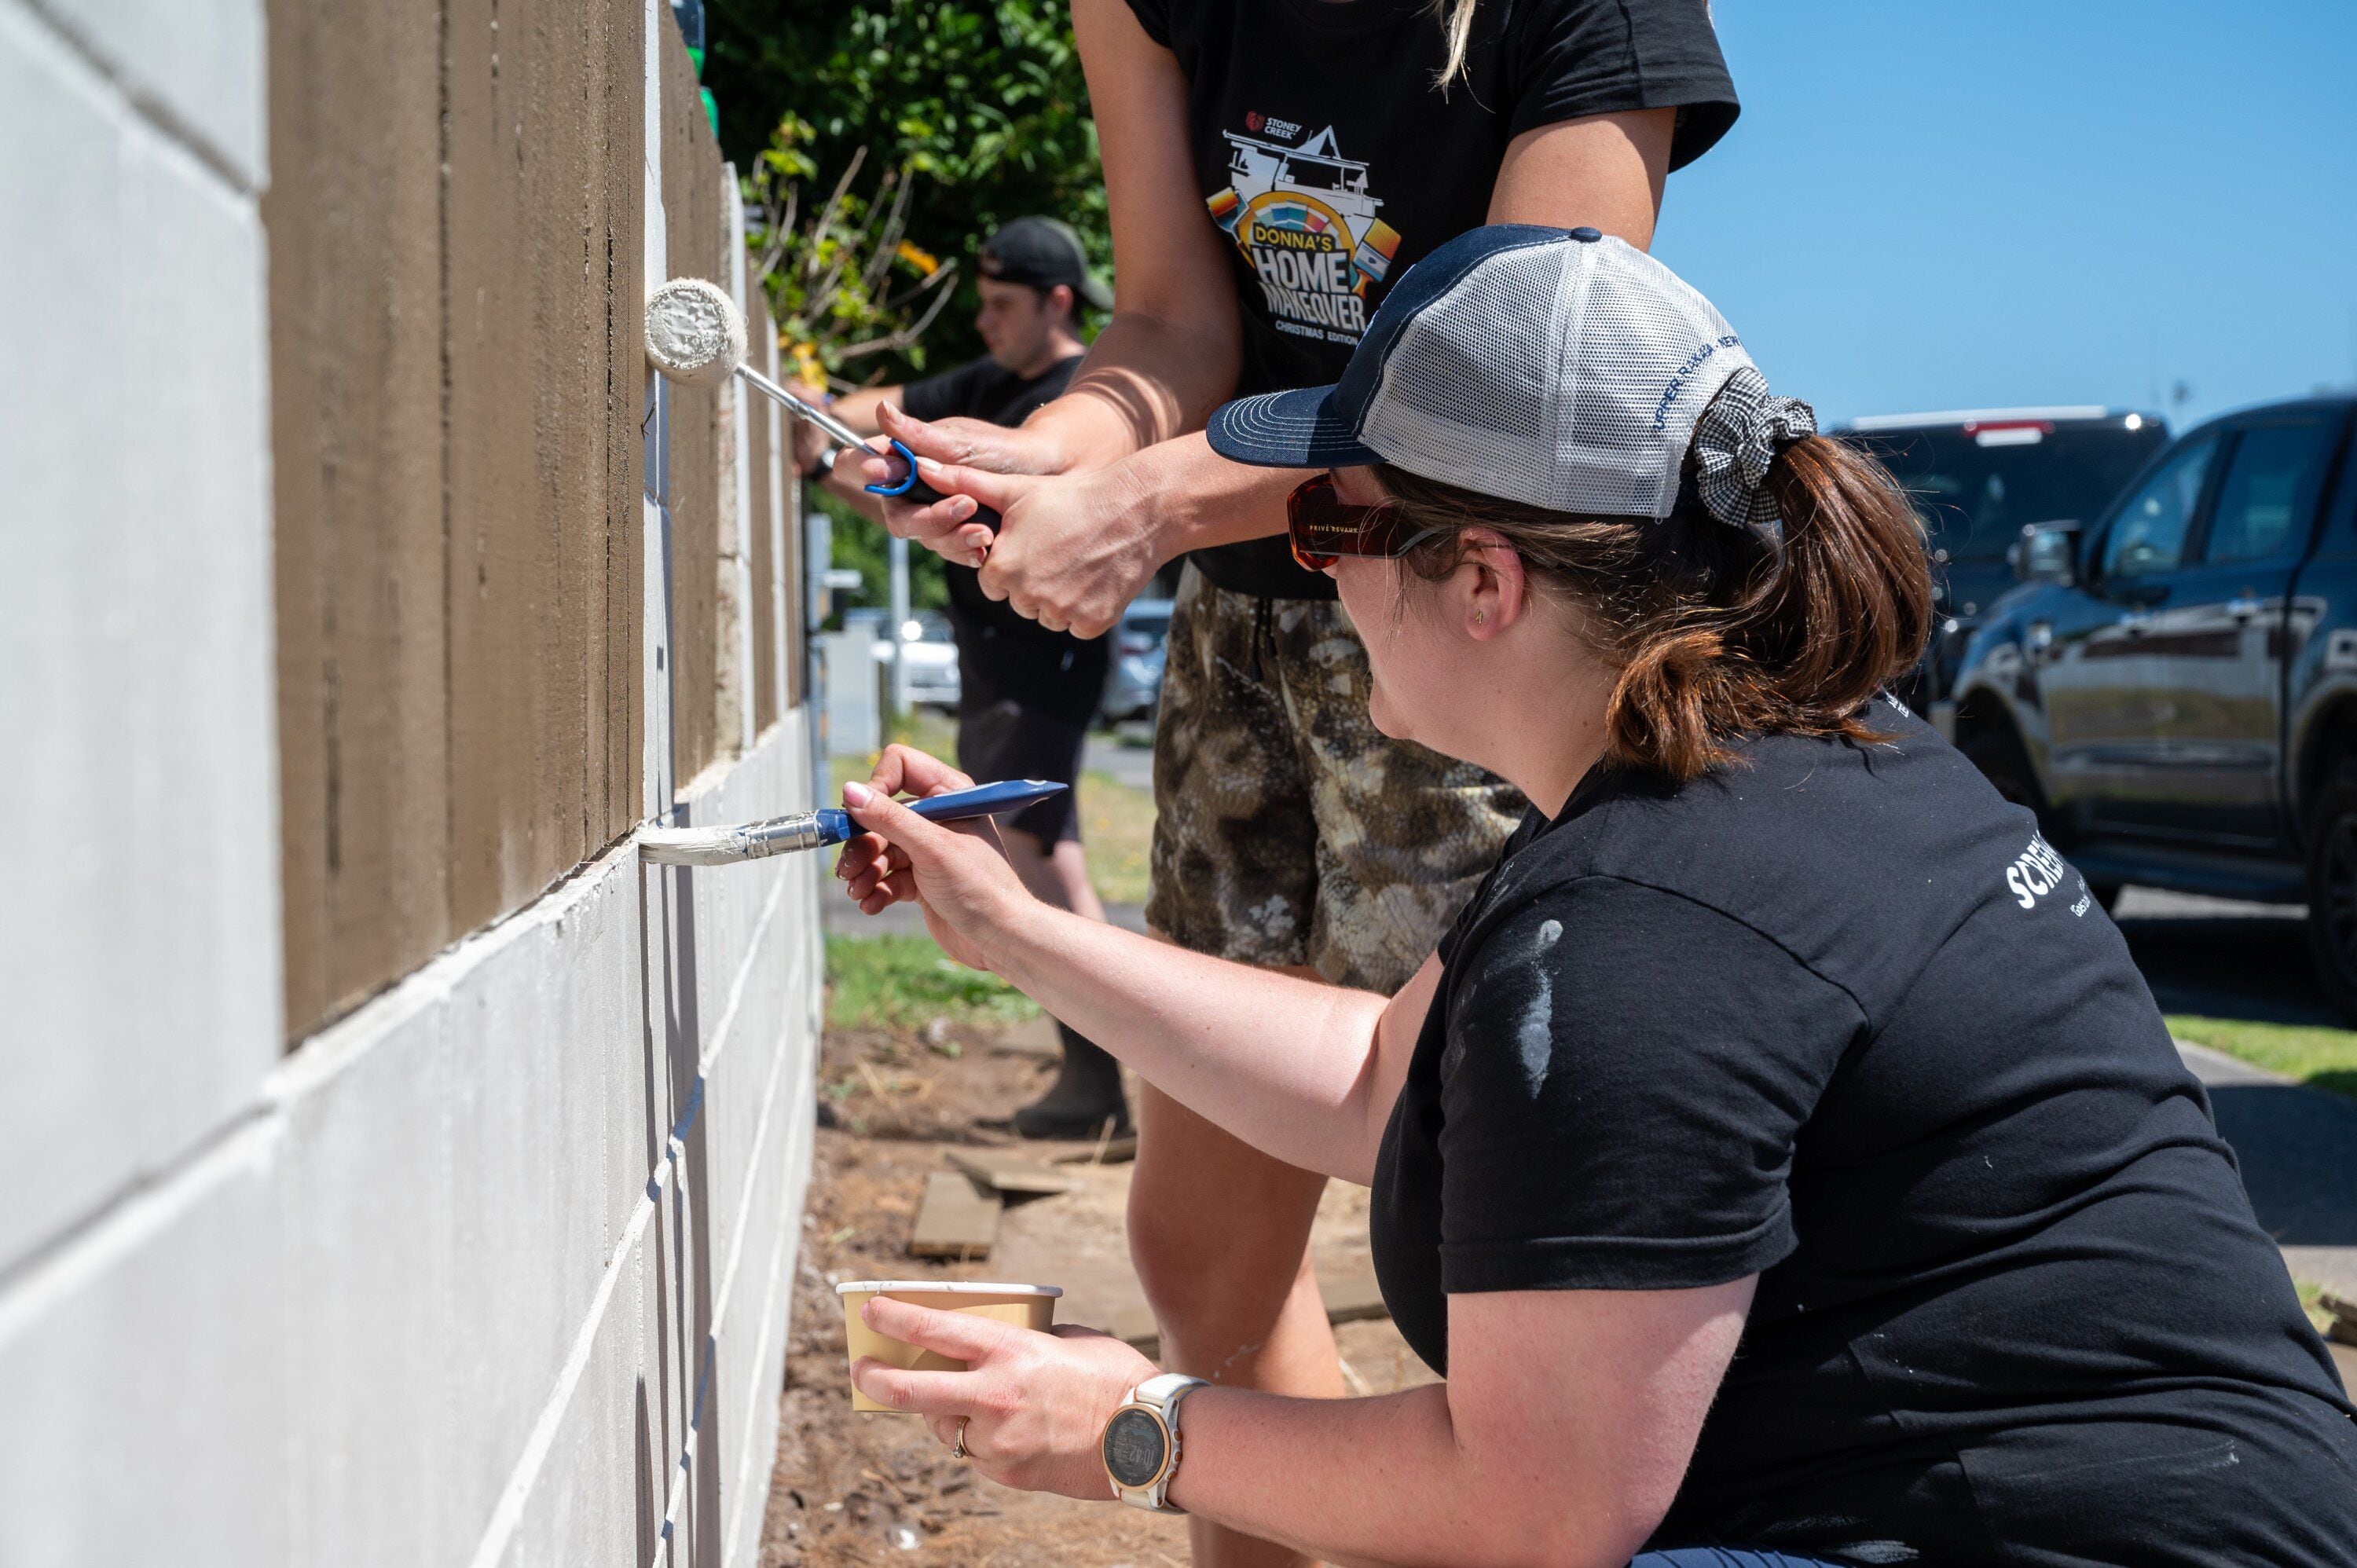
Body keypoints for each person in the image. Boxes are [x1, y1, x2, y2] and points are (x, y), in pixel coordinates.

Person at [830, 227, 2357, 1566]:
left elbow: (1529, 1511)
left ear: (1485, 578)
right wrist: (1016, 929)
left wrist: (1129, 1421)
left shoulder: (1650, 927)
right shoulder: (1762, 774)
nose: (1324, 586)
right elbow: (1376, 1078)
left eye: (1332, 531)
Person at [858, 13, 1739, 1559]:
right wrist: (1039, 458)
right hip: (1246, 628)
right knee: (1204, 1263)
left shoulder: (1587, 13)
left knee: (1508, 1297)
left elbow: (1511, 383)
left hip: (1488, 629)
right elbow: (1172, 334)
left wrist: (1144, 504)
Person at [799, 217, 1131, 1138]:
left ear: (1056, 302)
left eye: (1000, 305)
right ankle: (1096, 1074)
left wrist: (823, 461)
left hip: (1043, 667)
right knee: (1033, 850)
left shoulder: (1065, 403)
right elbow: (876, 411)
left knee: (1039, 855)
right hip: (997, 669)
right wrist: (810, 407)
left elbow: (910, 489)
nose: (982, 322)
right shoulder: (991, 383)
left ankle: (1097, 1077)